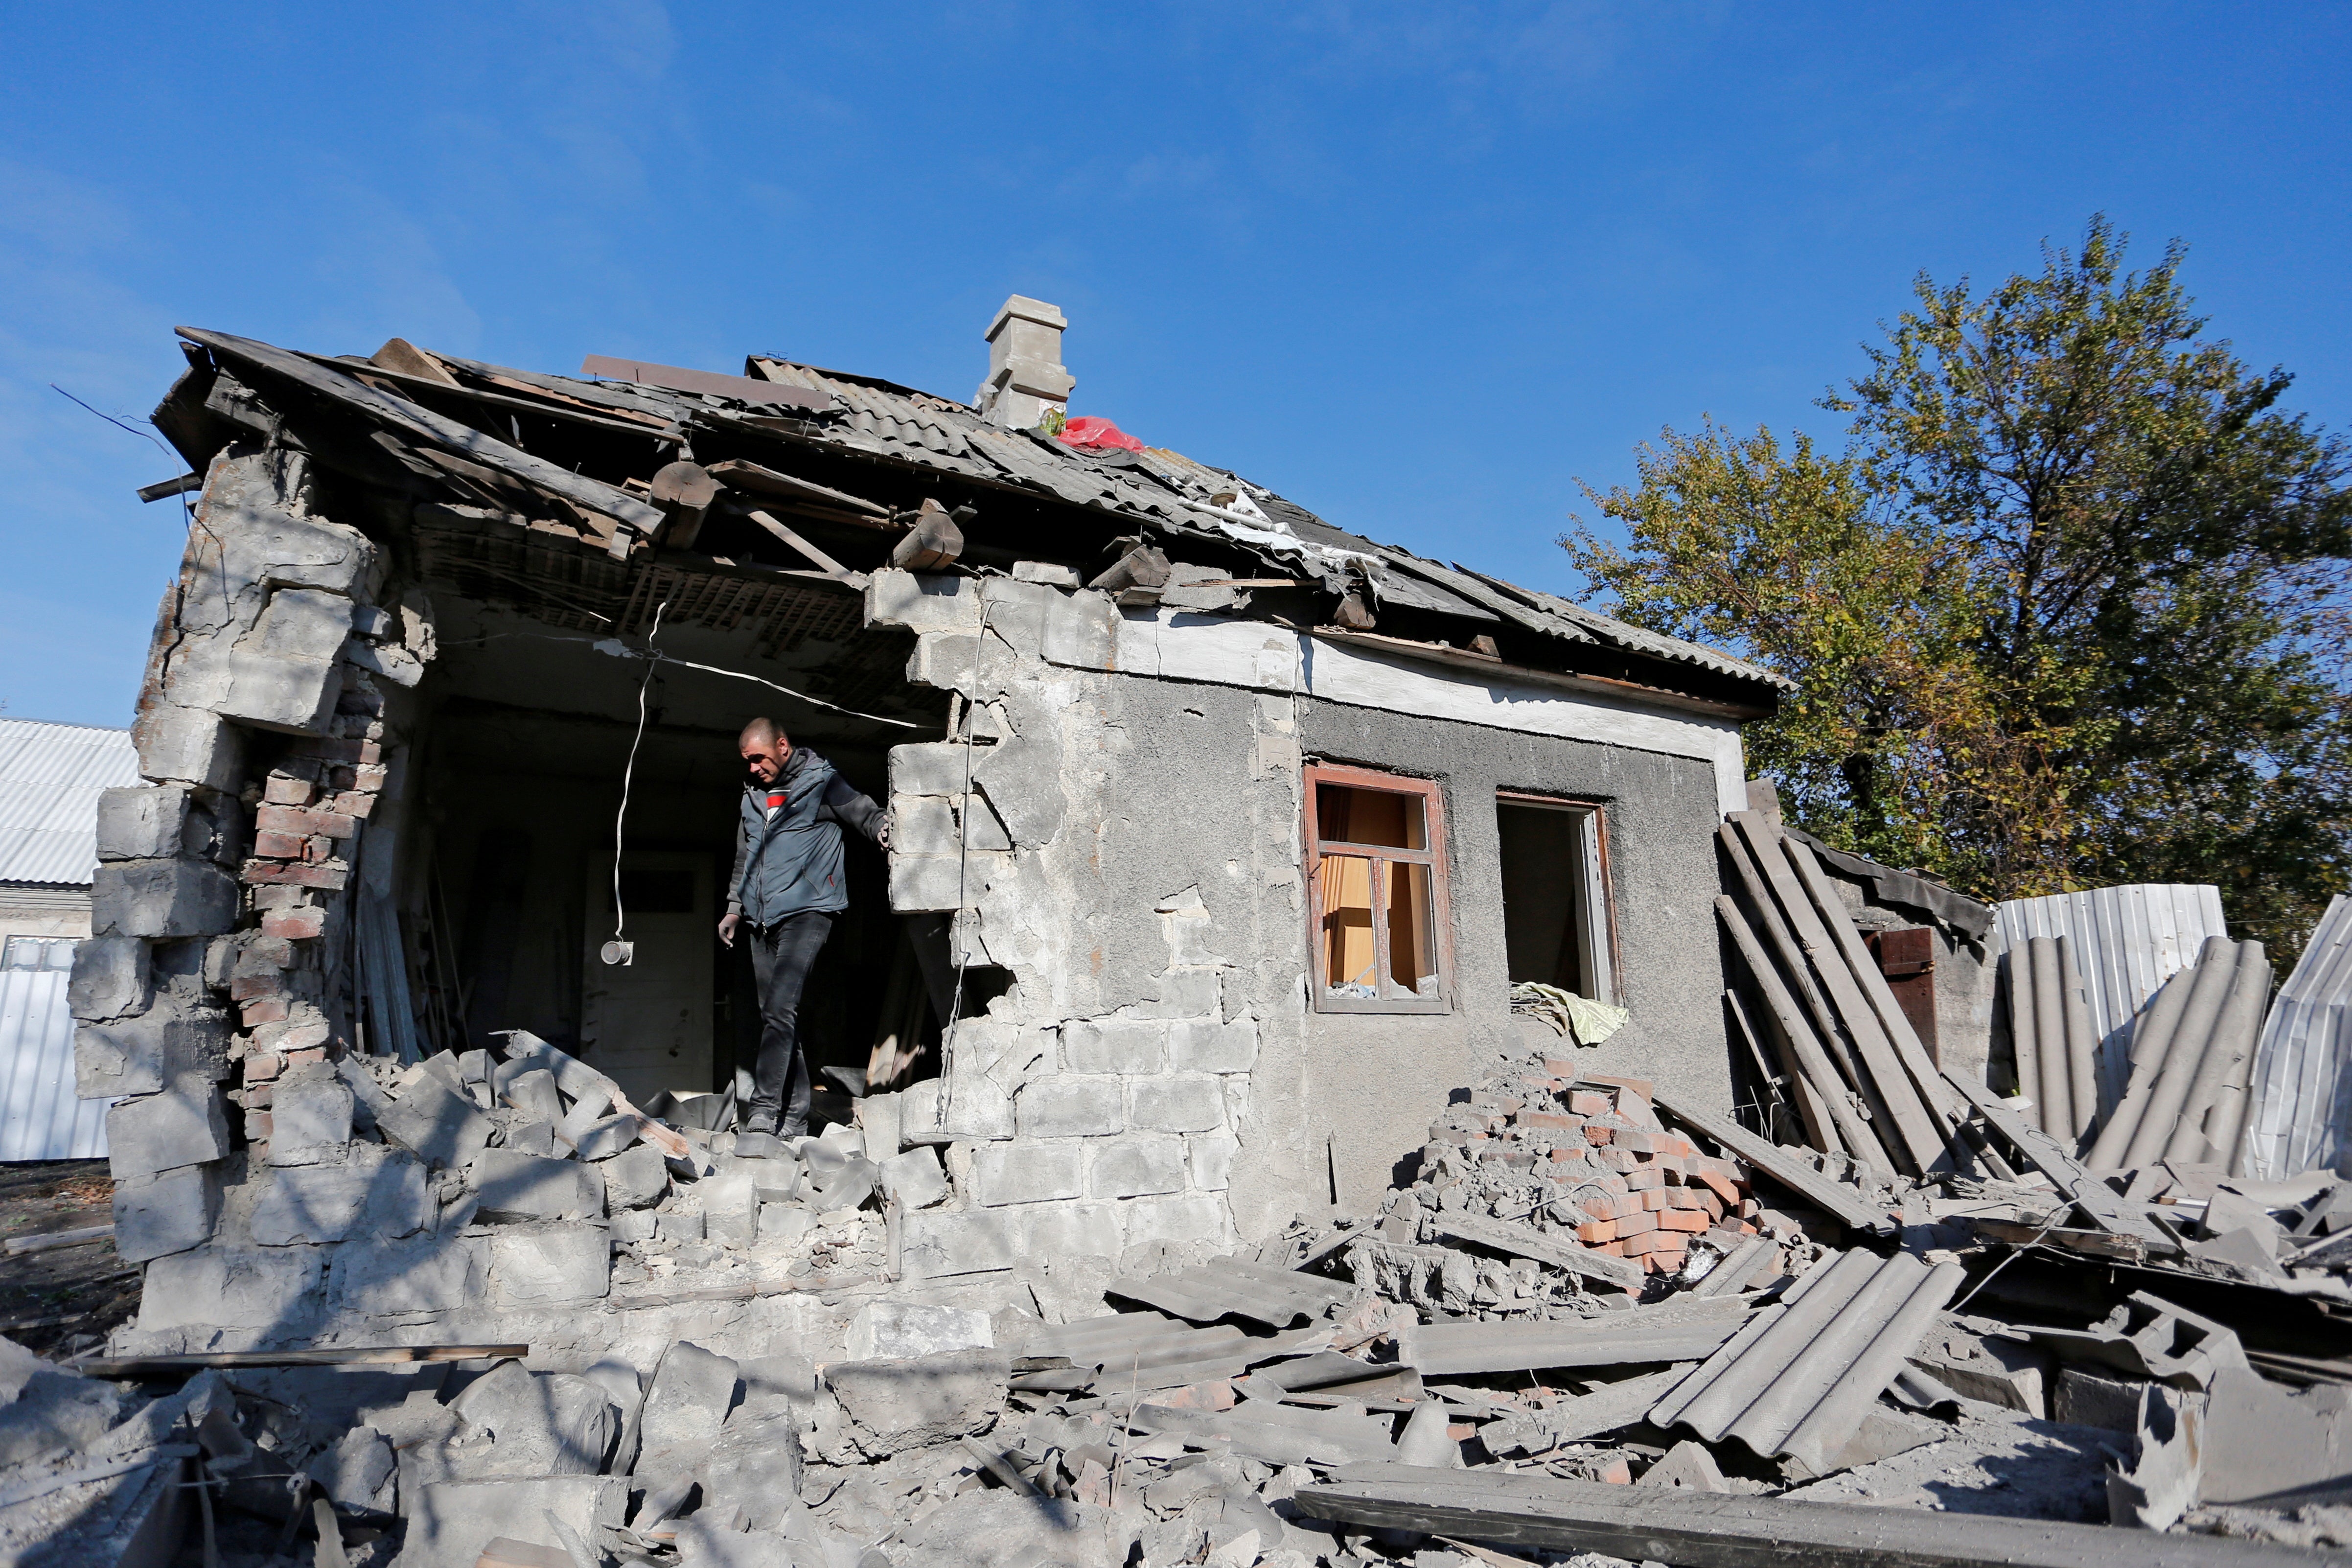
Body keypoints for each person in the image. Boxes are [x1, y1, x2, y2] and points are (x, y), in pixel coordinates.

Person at [719, 716, 888, 1137]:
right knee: (774, 1016)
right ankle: (794, 1117)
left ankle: (762, 1112)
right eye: (748, 761)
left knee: (780, 1010)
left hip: (809, 911)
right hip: (760, 917)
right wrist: (734, 908)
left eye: (758, 758)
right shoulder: (753, 797)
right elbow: (745, 858)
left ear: (782, 745)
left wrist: (886, 829)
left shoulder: (822, 783)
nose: (753, 768)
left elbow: (864, 813)